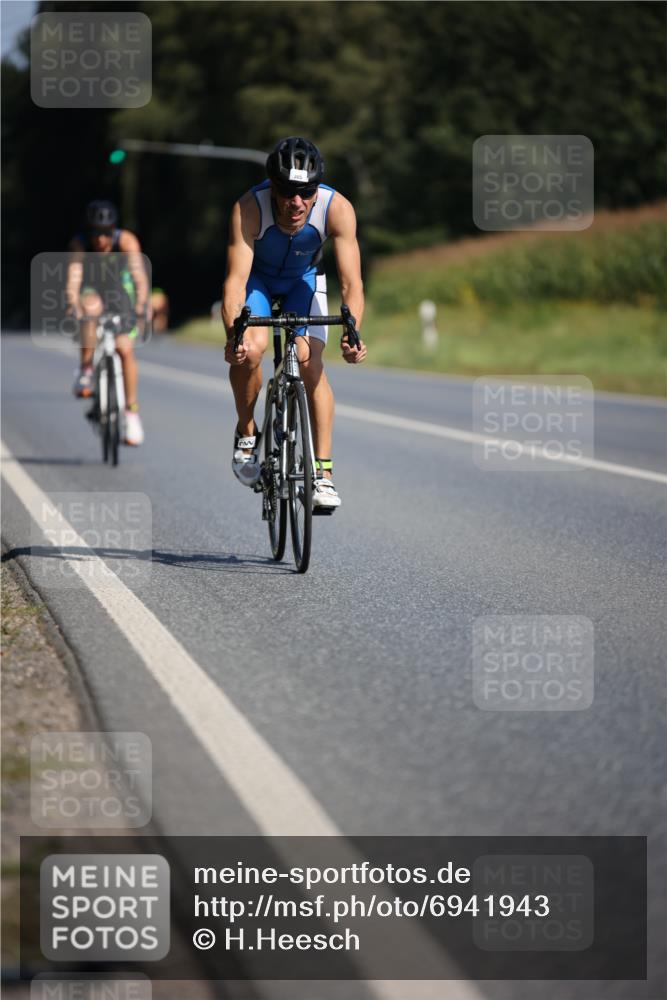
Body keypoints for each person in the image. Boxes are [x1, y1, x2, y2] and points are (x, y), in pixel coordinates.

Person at [222, 136, 367, 509]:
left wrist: (352, 332)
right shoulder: (249, 208)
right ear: (272, 187)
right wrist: (233, 334)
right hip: (259, 280)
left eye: (306, 192)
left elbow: (351, 283)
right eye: (287, 192)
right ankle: (247, 431)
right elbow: (236, 281)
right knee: (250, 351)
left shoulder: (338, 209)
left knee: (309, 363)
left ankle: (324, 474)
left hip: (305, 280)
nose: (297, 203)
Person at [67, 200, 150, 446]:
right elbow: (73, 280)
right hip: (93, 289)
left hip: (119, 291)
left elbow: (139, 278)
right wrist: (73, 303)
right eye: (96, 233)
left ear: (113, 230)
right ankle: (85, 369)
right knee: (89, 308)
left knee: (125, 349)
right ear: (89, 231)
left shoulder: (126, 241)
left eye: (106, 233)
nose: (101, 240)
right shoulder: (80, 245)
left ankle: (131, 413)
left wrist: (141, 305)